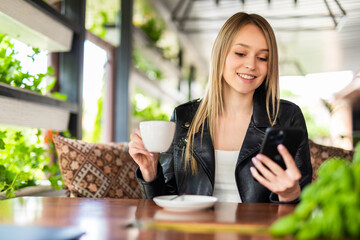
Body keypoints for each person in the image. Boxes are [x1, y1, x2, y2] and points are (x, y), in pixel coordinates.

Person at [129, 12, 312, 203]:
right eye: (240, 53)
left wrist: (290, 194)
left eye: (263, 58)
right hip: (197, 231)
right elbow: (166, 203)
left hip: (259, 232)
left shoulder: (286, 117)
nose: (251, 64)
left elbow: (304, 203)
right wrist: (150, 171)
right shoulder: (184, 118)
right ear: (220, 54)